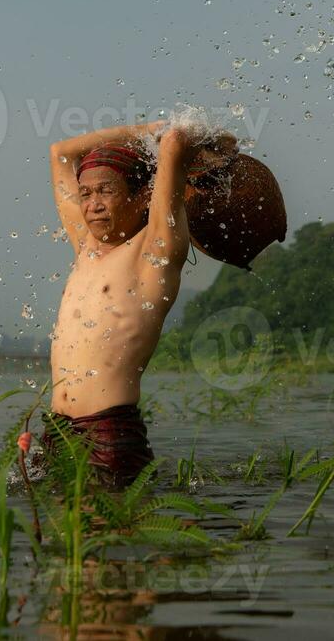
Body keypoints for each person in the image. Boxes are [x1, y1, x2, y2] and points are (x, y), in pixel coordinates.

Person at [38, 120, 227, 489]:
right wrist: (147, 129)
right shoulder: (86, 249)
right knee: (61, 542)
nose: (91, 206)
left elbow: (175, 140)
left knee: (116, 539)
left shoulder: (154, 250)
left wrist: (169, 133)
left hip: (108, 434)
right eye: (85, 194)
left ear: (143, 196)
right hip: (56, 432)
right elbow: (60, 152)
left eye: (105, 191)